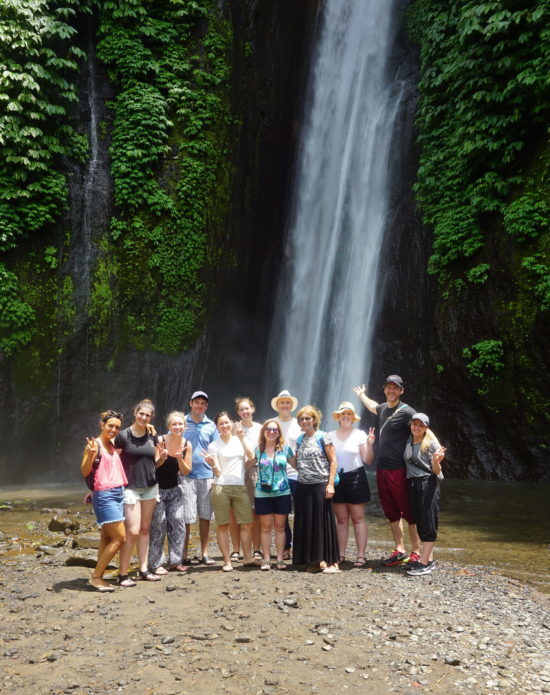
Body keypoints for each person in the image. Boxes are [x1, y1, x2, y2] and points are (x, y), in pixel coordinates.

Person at [353, 375, 421, 566]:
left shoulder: (408, 412)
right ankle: (399, 549)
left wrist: (434, 450)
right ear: (384, 389)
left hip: (399, 469)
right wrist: (361, 395)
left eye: (395, 388)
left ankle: (416, 551)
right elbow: (373, 406)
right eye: (388, 388)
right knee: (391, 511)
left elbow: (422, 428)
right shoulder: (383, 408)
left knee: (408, 511)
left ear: (401, 391)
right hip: (382, 469)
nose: (391, 391)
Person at [115, 399, 162, 586]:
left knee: (144, 529)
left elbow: (155, 463)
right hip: (130, 488)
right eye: (141, 413)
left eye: (147, 415)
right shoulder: (123, 436)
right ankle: (123, 573)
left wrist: (162, 459)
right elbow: (114, 462)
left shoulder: (153, 436)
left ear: (151, 418)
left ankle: (143, 569)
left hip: (150, 487)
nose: (144, 417)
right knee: (132, 531)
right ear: (135, 413)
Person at [202, 412, 257, 571]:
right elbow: (218, 473)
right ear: (217, 426)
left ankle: (247, 557)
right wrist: (212, 464)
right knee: (222, 525)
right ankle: (227, 561)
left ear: (232, 423)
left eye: (227, 423)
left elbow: (251, 456)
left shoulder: (239, 440)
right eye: (221, 424)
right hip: (221, 487)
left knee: (247, 523)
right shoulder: (214, 445)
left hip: (240, 486)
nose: (225, 426)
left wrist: (241, 437)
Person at [289, 405, 340, 574]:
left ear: (314, 420)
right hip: (303, 485)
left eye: (307, 418)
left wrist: (330, 484)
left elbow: (333, 461)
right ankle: (313, 559)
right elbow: (297, 463)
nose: (304, 421)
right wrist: (283, 454)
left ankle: (332, 561)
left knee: (323, 523)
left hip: (320, 485)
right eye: (301, 419)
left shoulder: (323, 437)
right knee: (307, 522)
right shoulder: (300, 439)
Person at [80, 410, 127, 591]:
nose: (114, 430)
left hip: (116, 493)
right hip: (106, 496)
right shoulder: (95, 445)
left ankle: (100, 573)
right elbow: (85, 471)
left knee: (107, 538)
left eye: (117, 427)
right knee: (120, 538)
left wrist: (148, 426)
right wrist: (91, 454)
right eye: (110, 426)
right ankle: (96, 577)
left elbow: (104, 473)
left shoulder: (111, 445)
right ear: (102, 425)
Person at [329, 402, 375, 567]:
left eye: (349, 414)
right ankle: (340, 554)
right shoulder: (330, 436)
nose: (346, 416)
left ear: (353, 417)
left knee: (358, 518)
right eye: (343, 414)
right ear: (338, 417)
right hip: (337, 478)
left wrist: (369, 444)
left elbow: (368, 460)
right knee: (341, 519)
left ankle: (361, 555)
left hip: (356, 477)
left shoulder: (360, 434)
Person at [147, 411, 192, 575]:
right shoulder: (159, 440)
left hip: (175, 489)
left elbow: (186, 471)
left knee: (178, 522)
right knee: (159, 524)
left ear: (185, 426)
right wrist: (163, 459)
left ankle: (175, 561)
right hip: (157, 489)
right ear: (169, 426)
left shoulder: (187, 443)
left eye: (180, 424)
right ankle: (156, 563)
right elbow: (153, 467)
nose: (177, 427)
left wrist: (179, 459)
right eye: (174, 424)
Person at [403, 413, 446, 576]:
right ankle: (428, 559)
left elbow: (437, 472)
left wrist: (436, 461)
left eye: (420, 425)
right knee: (420, 521)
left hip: (427, 483)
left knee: (428, 522)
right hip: (413, 484)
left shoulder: (432, 444)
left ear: (426, 428)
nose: (416, 427)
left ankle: (425, 563)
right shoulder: (409, 440)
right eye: (414, 424)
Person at [181, 390, 218, 565]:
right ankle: (184, 553)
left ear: (206, 406)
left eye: (203, 403)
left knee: (205, 516)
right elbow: (171, 442)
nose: (199, 405)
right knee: (187, 517)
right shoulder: (181, 423)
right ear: (191, 403)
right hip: (185, 475)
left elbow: (217, 449)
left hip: (205, 475)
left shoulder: (211, 425)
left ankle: (204, 553)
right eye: (197, 402)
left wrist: (216, 471)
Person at [253, 419, 293, 570]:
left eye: (275, 430)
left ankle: (280, 559)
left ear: (279, 433)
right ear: (263, 432)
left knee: (281, 527)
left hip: (282, 492)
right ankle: (267, 559)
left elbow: (297, 465)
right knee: (266, 528)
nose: (271, 432)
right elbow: (247, 464)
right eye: (268, 429)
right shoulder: (258, 449)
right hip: (263, 493)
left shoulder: (286, 449)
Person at [229, 397, 262, 562]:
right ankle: (235, 550)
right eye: (241, 409)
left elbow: (265, 449)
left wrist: (253, 460)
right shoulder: (233, 428)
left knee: (255, 512)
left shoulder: (260, 428)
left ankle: (257, 549)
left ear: (253, 409)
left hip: (255, 472)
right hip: (237, 471)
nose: (244, 412)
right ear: (238, 412)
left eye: (247, 408)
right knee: (235, 514)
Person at [271, 389, 301, 559]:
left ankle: (300, 545)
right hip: (276, 475)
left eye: (287, 403)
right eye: (282, 402)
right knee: (281, 513)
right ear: (277, 405)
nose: (284, 405)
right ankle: (286, 546)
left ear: (291, 406)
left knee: (301, 511)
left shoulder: (299, 423)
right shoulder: (271, 423)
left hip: (296, 474)